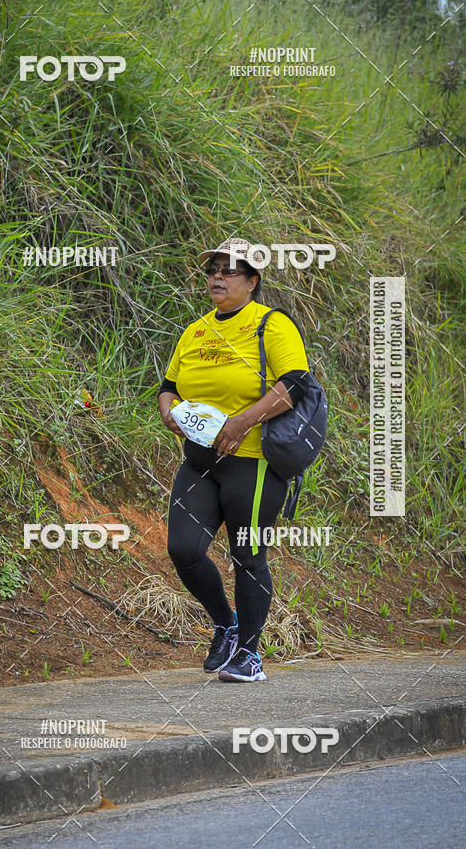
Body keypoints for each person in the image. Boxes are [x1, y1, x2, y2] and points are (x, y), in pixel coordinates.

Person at [158, 237, 310, 682]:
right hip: (200, 461)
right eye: (213, 270)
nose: (217, 277)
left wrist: (243, 421)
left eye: (228, 270)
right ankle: (226, 624)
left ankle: (250, 655)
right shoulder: (196, 329)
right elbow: (170, 384)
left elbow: (296, 382)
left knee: (248, 555)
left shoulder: (271, 324)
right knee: (183, 549)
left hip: (254, 462)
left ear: (252, 281)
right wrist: (169, 410)